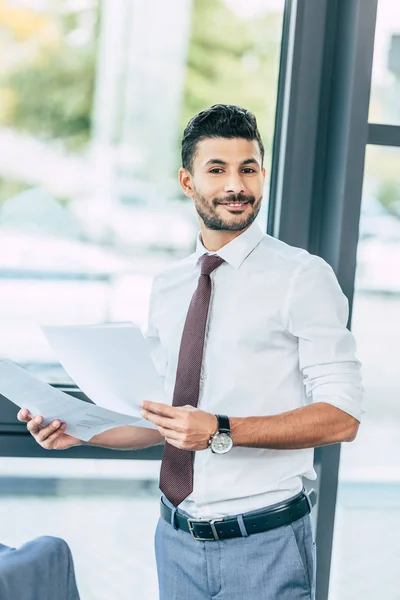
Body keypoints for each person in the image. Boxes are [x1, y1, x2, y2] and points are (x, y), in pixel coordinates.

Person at [18, 104, 364, 600]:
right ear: (187, 181)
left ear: (263, 174)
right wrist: (81, 433)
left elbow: (342, 418)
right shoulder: (171, 284)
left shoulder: (303, 277)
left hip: (264, 543)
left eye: (248, 169)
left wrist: (222, 430)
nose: (236, 186)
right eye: (217, 169)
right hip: (175, 539)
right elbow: (162, 421)